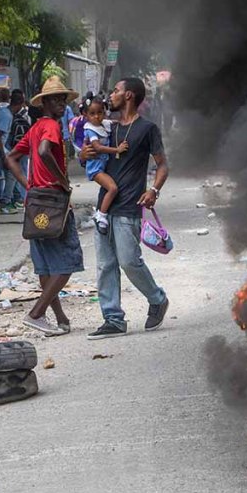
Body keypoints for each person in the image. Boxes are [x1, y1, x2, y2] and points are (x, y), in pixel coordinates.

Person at [82, 78, 170, 339]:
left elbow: (162, 165)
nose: (112, 95)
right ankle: (113, 318)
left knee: (129, 261)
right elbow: (89, 154)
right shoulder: (106, 128)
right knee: (105, 264)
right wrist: (83, 155)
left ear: (129, 96)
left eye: (116, 91)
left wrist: (153, 190)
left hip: (130, 204)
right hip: (105, 207)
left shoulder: (147, 129)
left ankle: (157, 298)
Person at [6, 76, 83, 337]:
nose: (61, 103)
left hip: (35, 200)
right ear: (46, 103)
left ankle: (60, 318)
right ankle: (36, 313)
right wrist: (62, 181)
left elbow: (12, 158)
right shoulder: (50, 125)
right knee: (68, 261)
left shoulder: (36, 126)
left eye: (63, 99)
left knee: (45, 265)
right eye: (56, 99)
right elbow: (42, 152)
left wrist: (27, 183)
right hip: (53, 200)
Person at [82, 97, 128, 235]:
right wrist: (117, 150)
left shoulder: (104, 124)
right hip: (95, 168)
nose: (97, 116)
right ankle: (101, 215)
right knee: (113, 188)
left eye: (100, 112)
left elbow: (114, 123)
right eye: (92, 113)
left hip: (103, 165)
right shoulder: (90, 130)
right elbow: (98, 147)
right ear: (86, 114)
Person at [7, 91, 32, 209]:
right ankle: (20, 197)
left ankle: (18, 196)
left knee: (16, 172)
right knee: (20, 172)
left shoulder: (8, 113)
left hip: (13, 147)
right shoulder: (25, 115)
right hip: (21, 148)